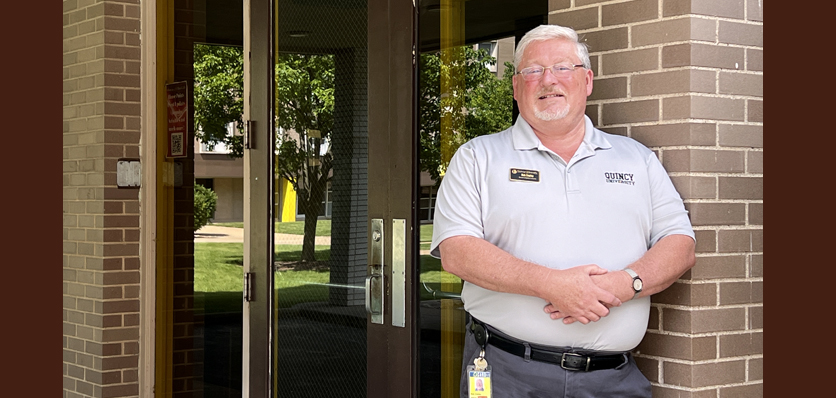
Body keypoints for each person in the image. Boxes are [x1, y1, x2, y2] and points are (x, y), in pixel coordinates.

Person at [430, 24, 696, 398]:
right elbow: (457, 251)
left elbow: (680, 244)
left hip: (612, 382)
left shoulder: (637, 159)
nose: (548, 80)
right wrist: (551, 284)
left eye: (562, 68)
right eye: (533, 70)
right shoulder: (478, 157)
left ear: (586, 81)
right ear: (516, 87)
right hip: (507, 375)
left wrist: (625, 284)